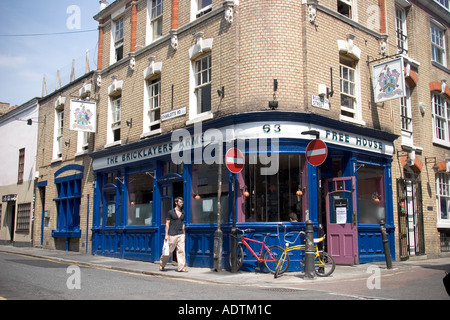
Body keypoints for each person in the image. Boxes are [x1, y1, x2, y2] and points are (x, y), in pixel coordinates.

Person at [160, 197, 188, 272]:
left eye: (182, 202)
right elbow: (167, 223)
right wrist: (166, 234)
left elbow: (182, 224)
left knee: (181, 251)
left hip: (180, 234)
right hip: (172, 234)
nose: (182, 203)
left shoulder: (183, 212)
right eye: (180, 202)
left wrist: (184, 234)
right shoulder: (170, 212)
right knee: (169, 251)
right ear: (176, 202)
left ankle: (181, 268)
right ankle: (162, 264)